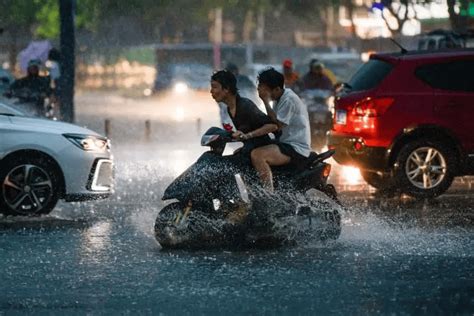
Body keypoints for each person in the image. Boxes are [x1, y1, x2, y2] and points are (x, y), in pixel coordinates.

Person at [251, 68, 312, 192]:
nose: (261, 92)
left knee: (257, 155)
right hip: (284, 142)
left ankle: (268, 196)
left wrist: (265, 101)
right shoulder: (278, 98)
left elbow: (277, 125)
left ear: (277, 89)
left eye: (264, 89)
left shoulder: (288, 100)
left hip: (295, 146)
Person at [210, 70, 278, 157]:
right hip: (250, 149)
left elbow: (272, 126)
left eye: (214, 87)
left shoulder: (245, 105)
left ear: (226, 89)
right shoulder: (229, 109)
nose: (211, 91)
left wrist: (248, 135)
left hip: (261, 152)